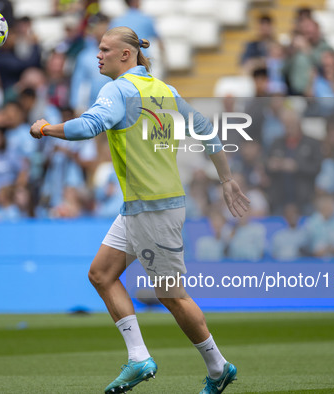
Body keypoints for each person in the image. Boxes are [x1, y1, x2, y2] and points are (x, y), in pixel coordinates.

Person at [29, 26, 250, 394]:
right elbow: (205, 128)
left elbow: (90, 126)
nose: (98, 56)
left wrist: (46, 129)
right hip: (145, 206)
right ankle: (138, 358)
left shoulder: (117, 90)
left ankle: (218, 366)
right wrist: (225, 178)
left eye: (104, 49)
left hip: (153, 210)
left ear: (126, 55)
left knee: (171, 295)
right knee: (101, 273)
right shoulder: (164, 90)